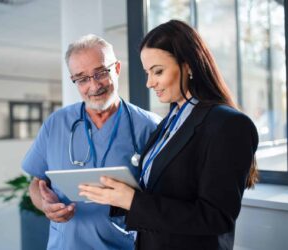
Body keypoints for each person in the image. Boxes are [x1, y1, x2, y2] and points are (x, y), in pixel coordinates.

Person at [79, 20, 259, 250]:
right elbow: (163, 192)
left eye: (158, 71)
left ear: (189, 66)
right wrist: (118, 196)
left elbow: (216, 218)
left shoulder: (228, 125)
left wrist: (132, 201)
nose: (149, 82)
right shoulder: (170, 122)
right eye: (147, 73)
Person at [21, 34, 160, 250]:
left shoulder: (149, 127)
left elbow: (164, 199)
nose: (94, 86)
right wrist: (45, 204)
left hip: (123, 244)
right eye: (82, 78)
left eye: (101, 73)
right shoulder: (56, 124)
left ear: (117, 69)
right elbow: (36, 183)